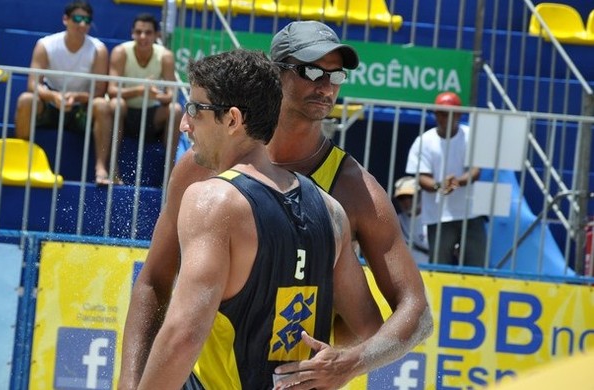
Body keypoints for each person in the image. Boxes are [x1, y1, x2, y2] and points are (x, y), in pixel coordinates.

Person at [119, 21, 433, 390]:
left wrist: (351, 361)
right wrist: (128, 382)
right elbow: (154, 282)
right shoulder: (201, 168)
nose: (326, 84)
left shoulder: (352, 191)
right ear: (275, 73)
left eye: (336, 75)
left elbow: (413, 315)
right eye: (311, 70)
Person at [14, 1, 115, 185]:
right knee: (26, 100)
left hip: (81, 109)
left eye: (87, 20)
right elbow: (33, 84)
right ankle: (22, 159)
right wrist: (53, 96)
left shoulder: (98, 49)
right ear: (65, 19)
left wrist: (76, 97)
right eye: (77, 18)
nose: (82, 24)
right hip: (50, 104)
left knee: (102, 105)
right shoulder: (45, 44)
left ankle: (101, 169)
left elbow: (100, 90)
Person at [405, 91, 487, 267]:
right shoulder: (424, 141)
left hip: (471, 213)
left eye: (450, 113)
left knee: (476, 266)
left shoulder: (470, 135)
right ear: (435, 114)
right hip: (438, 216)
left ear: (458, 114)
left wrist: (457, 182)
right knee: (439, 267)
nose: (445, 117)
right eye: (441, 113)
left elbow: (476, 171)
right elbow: (421, 178)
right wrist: (439, 185)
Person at [107, 13, 182, 180]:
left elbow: (171, 94)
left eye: (148, 33)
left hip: (151, 116)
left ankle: (170, 173)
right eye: (138, 32)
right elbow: (111, 91)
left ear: (157, 35)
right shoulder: (120, 52)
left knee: (175, 109)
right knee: (116, 104)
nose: (143, 37)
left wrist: (156, 95)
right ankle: (112, 169)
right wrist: (140, 90)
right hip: (124, 116)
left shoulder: (165, 56)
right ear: (132, 33)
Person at [394, 176, 429, 264]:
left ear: (420, 195)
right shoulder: (396, 221)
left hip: (433, 273)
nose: (406, 201)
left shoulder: (432, 219)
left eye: (410, 196)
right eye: (401, 198)